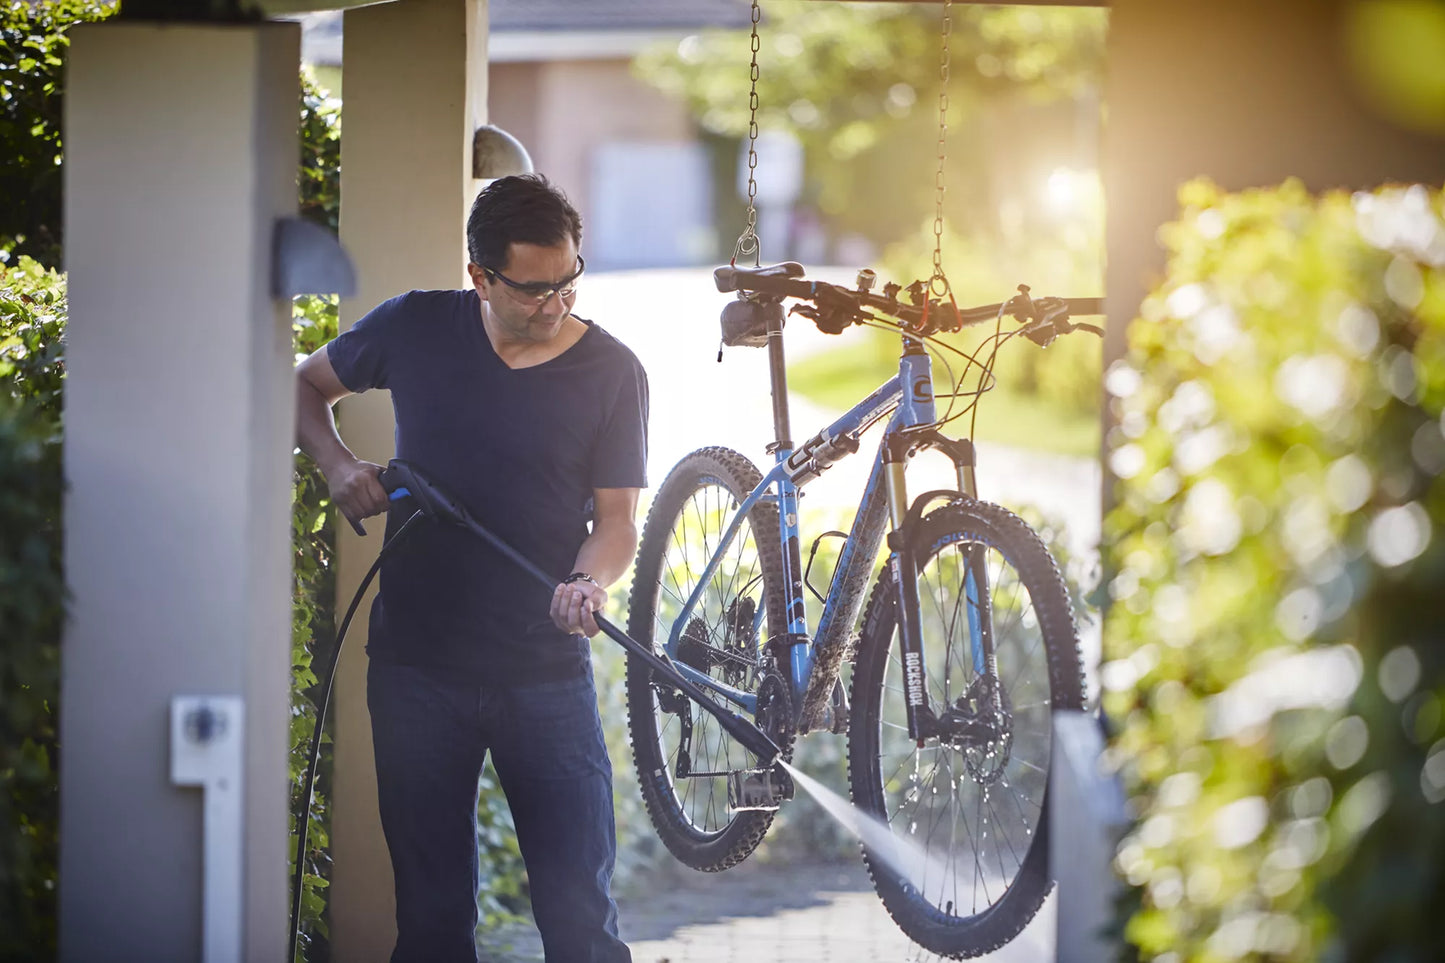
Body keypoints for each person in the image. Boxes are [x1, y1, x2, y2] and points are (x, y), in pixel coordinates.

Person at [295, 174, 645, 963]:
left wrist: (588, 582)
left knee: (580, 918)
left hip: (545, 676)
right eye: (531, 289)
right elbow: (304, 385)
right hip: (417, 669)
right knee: (430, 921)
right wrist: (337, 463)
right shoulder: (416, 324)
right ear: (479, 276)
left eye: (567, 281)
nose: (554, 304)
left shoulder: (611, 371)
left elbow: (617, 523)